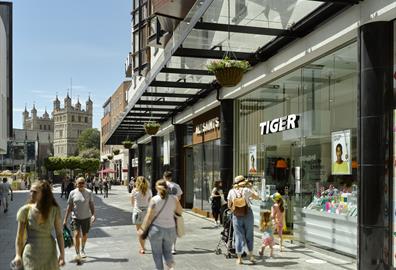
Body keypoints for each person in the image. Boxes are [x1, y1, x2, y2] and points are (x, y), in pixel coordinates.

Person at [11, 180, 65, 269]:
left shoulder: (54, 210)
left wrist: (62, 255)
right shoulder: (25, 210)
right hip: (30, 253)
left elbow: (59, 234)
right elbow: (20, 236)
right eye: (30, 191)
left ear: (44, 194)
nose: (31, 194)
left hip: (49, 253)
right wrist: (18, 255)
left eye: (35, 192)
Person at [138, 179, 183, 270]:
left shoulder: (154, 200)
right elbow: (180, 212)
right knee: (167, 251)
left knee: (157, 254)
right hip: (170, 229)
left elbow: (149, 216)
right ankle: (170, 266)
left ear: (156, 188)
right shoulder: (174, 199)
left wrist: (142, 229)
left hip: (156, 229)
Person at [227, 175, 260, 265]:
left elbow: (229, 205)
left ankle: (239, 258)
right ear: (243, 182)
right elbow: (257, 197)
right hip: (248, 214)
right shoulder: (246, 190)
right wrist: (251, 187)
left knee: (238, 236)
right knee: (249, 235)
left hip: (236, 215)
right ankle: (251, 256)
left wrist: (236, 207)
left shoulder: (231, 191)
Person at [63, 177, 96, 263]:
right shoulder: (72, 193)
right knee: (77, 234)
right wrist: (65, 219)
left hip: (86, 217)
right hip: (75, 218)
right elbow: (69, 207)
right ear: (76, 184)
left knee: (84, 235)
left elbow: (91, 204)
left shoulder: (89, 192)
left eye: (82, 182)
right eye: (79, 183)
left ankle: (82, 249)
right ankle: (77, 253)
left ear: (85, 183)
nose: (81, 184)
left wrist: (93, 215)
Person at [131, 176, 152, 254]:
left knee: (139, 230)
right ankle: (143, 246)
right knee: (144, 230)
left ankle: (142, 248)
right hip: (146, 212)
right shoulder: (149, 191)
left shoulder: (134, 191)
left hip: (137, 212)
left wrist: (135, 208)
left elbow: (132, 202)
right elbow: (150, 202)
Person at [163, 171, 182, 254]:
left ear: (164, 177)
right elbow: (179, 197)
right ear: (171, 177)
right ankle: (173, 247)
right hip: (173, 208)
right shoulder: (176, 186)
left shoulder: (162, 185)